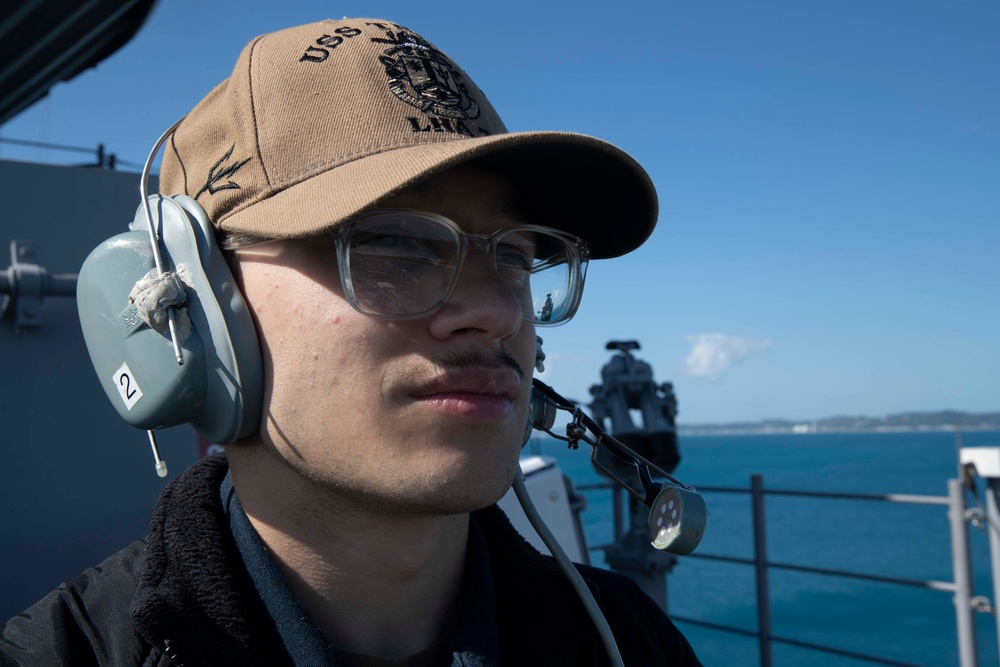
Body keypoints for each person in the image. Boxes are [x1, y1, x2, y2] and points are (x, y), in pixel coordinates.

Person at [0, 18, 701, 666]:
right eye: (394, 243)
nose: (495, 309)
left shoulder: (629, 642)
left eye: (517, 254)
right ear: (195, 305)